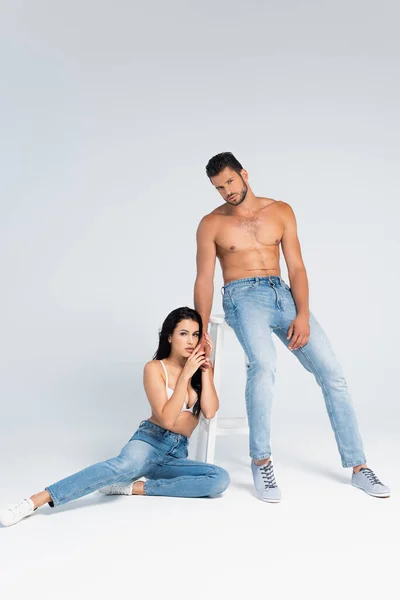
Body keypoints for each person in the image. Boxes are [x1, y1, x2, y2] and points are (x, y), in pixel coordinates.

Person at [194, 151, 390, 503]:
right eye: (219, 187)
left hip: (282, 295)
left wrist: (302, 313)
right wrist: (200, 329)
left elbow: (296, 267)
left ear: (244, 174)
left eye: (230, 182)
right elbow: (204, 279)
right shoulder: (211, 223)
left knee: (333, 374)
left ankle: (359, 467)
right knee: (264, 365)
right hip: (242, 297)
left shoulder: (280, 211)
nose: (227, 191)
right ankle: (262, 460)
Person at [0, 307, 230, 527]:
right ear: (169, 337)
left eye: (195, 334)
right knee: (117, 468)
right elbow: (168, 420)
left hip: (176, 453)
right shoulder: (154, 368)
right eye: (183, 333)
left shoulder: (199, 370)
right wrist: (185, 376)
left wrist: (205, 370)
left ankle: (134, 488)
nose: (191, 341)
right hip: (150, 442)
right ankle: (34, 501)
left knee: (219, 478)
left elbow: (209, 411)